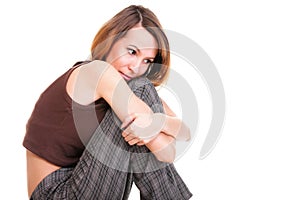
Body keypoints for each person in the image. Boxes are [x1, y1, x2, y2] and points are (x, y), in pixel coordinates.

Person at [23, 5, 193, 199]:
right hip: (57, 193)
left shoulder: (127, 89)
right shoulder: (96, 73)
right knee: (142, 88)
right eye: (132, 52)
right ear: (111, 40)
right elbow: (167, 153)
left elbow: (184, 131)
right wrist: (155, 128)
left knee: (141, 92)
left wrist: (158, 122)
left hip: (85, 181)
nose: (136, 67)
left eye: (147, 61)